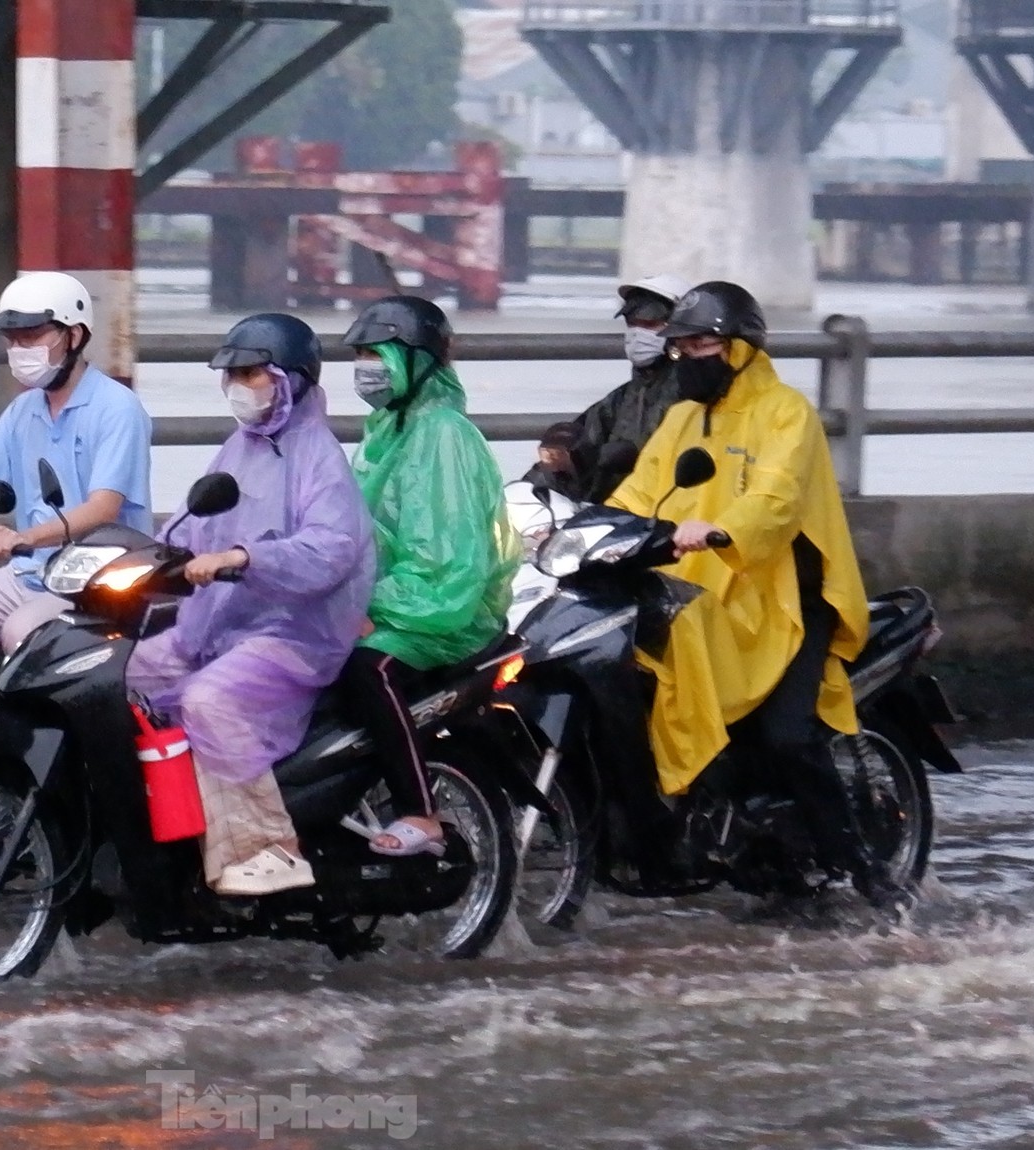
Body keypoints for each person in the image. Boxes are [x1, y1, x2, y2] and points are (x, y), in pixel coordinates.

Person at [606, 281, 895, 907]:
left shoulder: (786, 412)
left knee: (787, 738)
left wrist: (721, 529)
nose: (689, 357)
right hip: (701, 595)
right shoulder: (682, 418)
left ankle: (869, 872)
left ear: (739, 348)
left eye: (703, 343)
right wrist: (592, 532)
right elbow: (637, 492)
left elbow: (776, 496)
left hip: (789, 597)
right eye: (680, 346)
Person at [127, 314, 374, 895]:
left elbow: (330, 551)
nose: (237, 385)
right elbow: (196, 524)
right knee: (123, 671)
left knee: (209, 700)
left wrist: (246, 558)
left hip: (293, 636)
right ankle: (149, 828)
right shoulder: (239, 448)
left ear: (289, 380)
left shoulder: (319, 458)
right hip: (218, 626)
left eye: (249, 373)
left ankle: (269, 847)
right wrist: (151, 558)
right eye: (230, 374)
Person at [339, 296, 519, 856]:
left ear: (416, 361)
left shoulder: (444, 434)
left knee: (369, 669)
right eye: (361, 354)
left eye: (378, 353)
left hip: (443, 614)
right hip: (384, 601)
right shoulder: (386, 429)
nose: (366, 366)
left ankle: (421, 811)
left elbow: (450, 567)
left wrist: (375, 609)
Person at [0, 272, 153, 659]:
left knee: (24, 631)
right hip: (27, 576)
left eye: (32, 336)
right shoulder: (22, 412)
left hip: (97, 582)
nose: (19, 348)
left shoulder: (117, 408)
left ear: (74, 336)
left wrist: (24, 538)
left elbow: (103, 508)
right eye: (12, 340)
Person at [535, 273, 691, 502]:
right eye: (632, 324)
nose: (638, 334)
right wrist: (526, 490)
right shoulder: (622, 398)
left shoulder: (695, 393)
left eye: (650, 324)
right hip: (616, 516)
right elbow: (579, 445)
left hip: (669, 517)